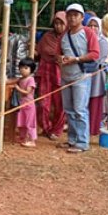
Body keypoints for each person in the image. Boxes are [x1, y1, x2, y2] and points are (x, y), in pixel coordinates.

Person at [57, 3, 100, 153]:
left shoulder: (88, 33)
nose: (72, 18)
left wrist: (75, 59)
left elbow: (95, 54)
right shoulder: (64, 34)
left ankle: (82, 142)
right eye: (69, 15)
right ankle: (72, 139)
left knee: (80, 109)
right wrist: (61, 59)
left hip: (81, 76)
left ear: (82, 17)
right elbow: (58, 52)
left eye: (75, 15)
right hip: (65, 75)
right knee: (68, 109)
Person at [35, 12, 67, 140]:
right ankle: (46, 127)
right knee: (43, 103)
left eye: (61, 23)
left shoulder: (69, 38)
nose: (58, 26)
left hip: (61, 72)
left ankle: (57, 129)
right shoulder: (47, 37)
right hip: (45, 72)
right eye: (56, 23)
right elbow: (39, 52)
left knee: (60, 104)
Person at [86, 16, 108, 135]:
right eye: (90, 25)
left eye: (95, 26)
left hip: (96, 75)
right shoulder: (84, 39)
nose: (92, 28)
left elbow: (98, 60)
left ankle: (93, 128)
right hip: (84, 74)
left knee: (94, 100)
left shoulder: (102, 42)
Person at [15, 58, 38, 147]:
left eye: (25, 68)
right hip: (22, 105)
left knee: (29, 123)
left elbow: (27, 92)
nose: (22, 70)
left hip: (29, 105)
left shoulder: (30, 80)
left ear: (31, 69)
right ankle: (23, 137)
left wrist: (18, 89)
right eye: (21, 68)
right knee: (22, 122)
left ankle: (32, 140)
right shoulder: (20, 79)